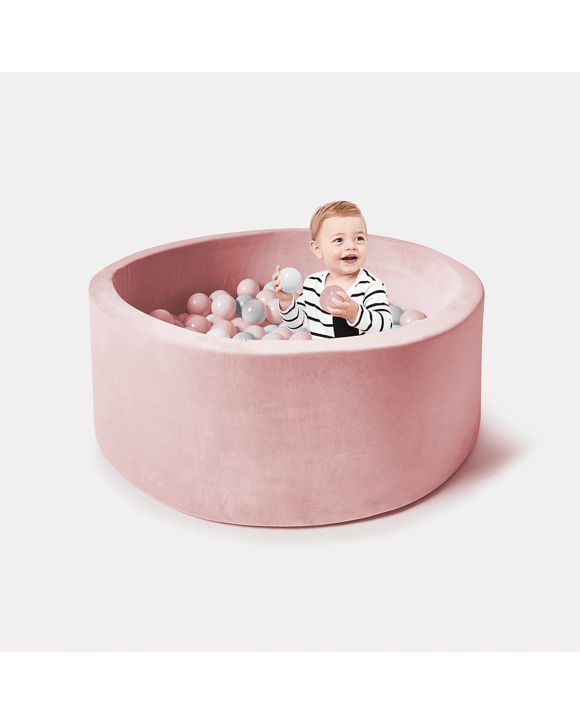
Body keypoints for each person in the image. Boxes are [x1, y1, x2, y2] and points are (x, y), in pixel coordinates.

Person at [272, 201, 393, 338]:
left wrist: (355, 314)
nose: (351, 246)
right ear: (318, 249)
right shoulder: (312, 284)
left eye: (358, 238)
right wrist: (286, 302)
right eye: (339, 240)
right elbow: (297, 324)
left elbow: (385, 325)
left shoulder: (371, 286)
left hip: (361, 352)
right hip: (322, 352)